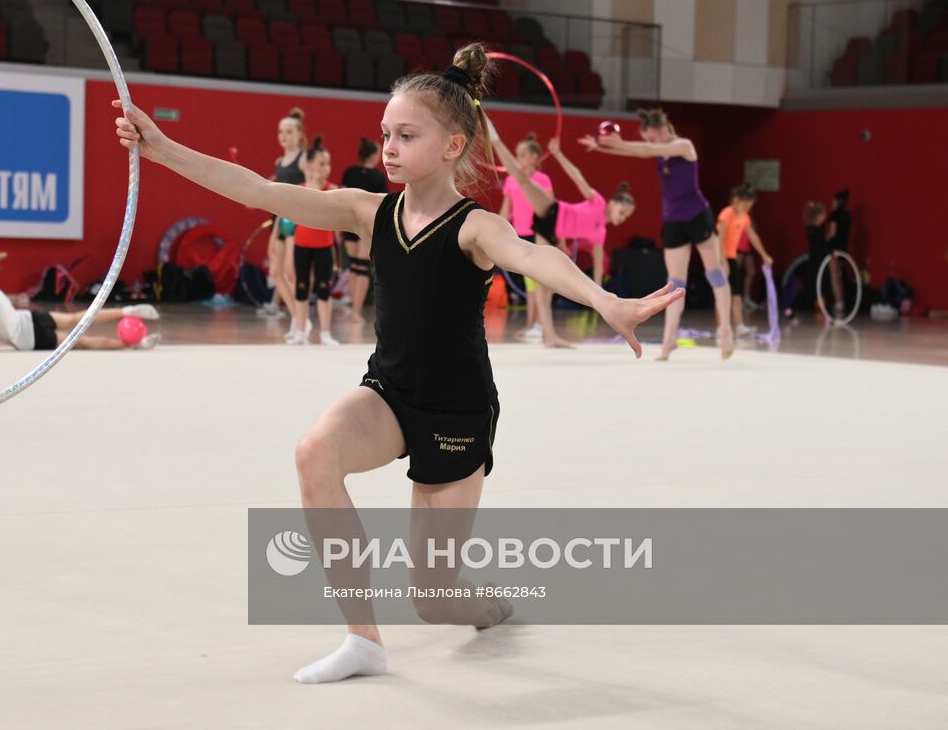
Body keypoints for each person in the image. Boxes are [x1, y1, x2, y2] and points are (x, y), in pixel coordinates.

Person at [112, 41, 682, 684]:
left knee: (434, 599)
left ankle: (490, 607)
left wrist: (606, 301)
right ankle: (363, 640)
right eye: (385, 133)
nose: (388, 147)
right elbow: (260, 191)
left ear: (453, 145)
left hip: (456, 413)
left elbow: (534, 256)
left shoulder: (475, 227)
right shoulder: (368, 210)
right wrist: (163, 149)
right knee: (314, 455)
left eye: (406, 136)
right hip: (388, 393)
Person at [580, 108, 734, 360]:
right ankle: (668, 341)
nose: (650, 143)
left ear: (663, 129)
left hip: (697, 216)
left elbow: (646, 149)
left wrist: (618, 144)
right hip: (674, 221)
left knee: (714, 273)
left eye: (651, 138)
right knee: (675, 284)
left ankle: (725, 329)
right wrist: (602, 146)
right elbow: (640, 151)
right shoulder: (658, 149)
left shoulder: (684, 145)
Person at [489, 130, 636, 346]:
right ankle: (495, 140)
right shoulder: (598, 202)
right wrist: (558, 154)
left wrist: (599, 297)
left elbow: (598, 266)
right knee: (522, 179)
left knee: (545, 283)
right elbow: (577, 176)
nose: (621, 219)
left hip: (549, 233)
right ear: (613, 203)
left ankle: (549, 335)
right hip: (552, 212)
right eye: (622, 212)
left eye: (626, 217)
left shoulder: (600, 233)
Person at [0, 252, 160, 352]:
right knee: (75, 318)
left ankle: (131, 344)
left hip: (33, 338)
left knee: (83, 342)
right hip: (31, 318)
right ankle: (127, 310)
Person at [498, 134, 553, 340]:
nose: (518, 158)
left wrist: (560, 240)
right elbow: (505, 211)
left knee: (541, 283)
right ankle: (531, 325)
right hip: (520, 236)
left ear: (535, 157)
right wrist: (498, 234)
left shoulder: (542, 179)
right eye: (517, 155)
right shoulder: (511, 180)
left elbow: (551, 209)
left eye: (523, 155)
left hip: (540, 235)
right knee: (530, 285)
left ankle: (540, 324)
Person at [288, 136, 341, 345]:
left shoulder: (332, 189)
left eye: (328, 164)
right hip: (301, 245)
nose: (326, 168)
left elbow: (333, 215)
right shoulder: (300, 189)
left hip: (324, 247)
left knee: (323, 290)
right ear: (309, 164)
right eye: (321, 164)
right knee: (301, 288)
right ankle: (300, 331)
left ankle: (325, 333)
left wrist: (319, 185)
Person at [259, 108, 307, 319]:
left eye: (289, 132)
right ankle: (296, 317)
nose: (284, 136)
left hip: (297, 220)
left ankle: (300, 318)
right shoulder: (279, 162)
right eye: (281, 132)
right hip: (279, 219)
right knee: (276, 270)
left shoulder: (304, 160)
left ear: (299, 135)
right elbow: (274, 185)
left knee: (292, 271)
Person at [340, 137, 389, 323]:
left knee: (354, 267)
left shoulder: (349, 172)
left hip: (347, 223)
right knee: (361, 269)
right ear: (374, 155)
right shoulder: (378, 177)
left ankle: (354, 308)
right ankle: (355, 311)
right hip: (366, 224)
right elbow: (382, 204)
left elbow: (342, 197)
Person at [716, 185, 774, 336]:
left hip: (732, 257)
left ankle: (740, 326)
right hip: (720, 258)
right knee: (721, 293)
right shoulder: (726, 214)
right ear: (736, 200)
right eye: (745, 205)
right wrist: (722, 261)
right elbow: (719, 239)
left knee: (736, 293)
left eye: (749, 207)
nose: (747, 209)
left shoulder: (744, 217)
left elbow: (753, 236)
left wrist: (764, 255)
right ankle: (721, 327)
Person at [826, 189, 852, 316]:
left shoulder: (834, 215)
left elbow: (833, 232)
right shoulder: (847, 215)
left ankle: (839, 301)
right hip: (843, 248)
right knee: (839, 276)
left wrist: (823, 240)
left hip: (834, 248)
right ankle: (841, 301)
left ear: (836, 201)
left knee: (834, 276)